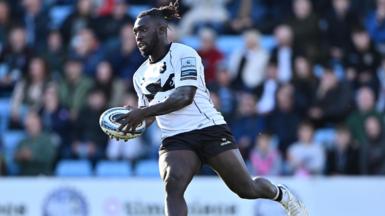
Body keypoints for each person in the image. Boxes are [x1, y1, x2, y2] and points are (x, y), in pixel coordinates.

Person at [116, 1, 308, 215]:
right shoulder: (139, 75)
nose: (138, 36)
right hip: (175, 138)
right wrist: (133, 122)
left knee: (246, 189)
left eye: (143, 29)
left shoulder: (184, 54)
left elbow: (185, 96)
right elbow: (150, 112)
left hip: (207, 128)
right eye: (135, 32)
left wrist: (142, 112)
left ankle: (281, 194)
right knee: (173, 184)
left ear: (162, 30)